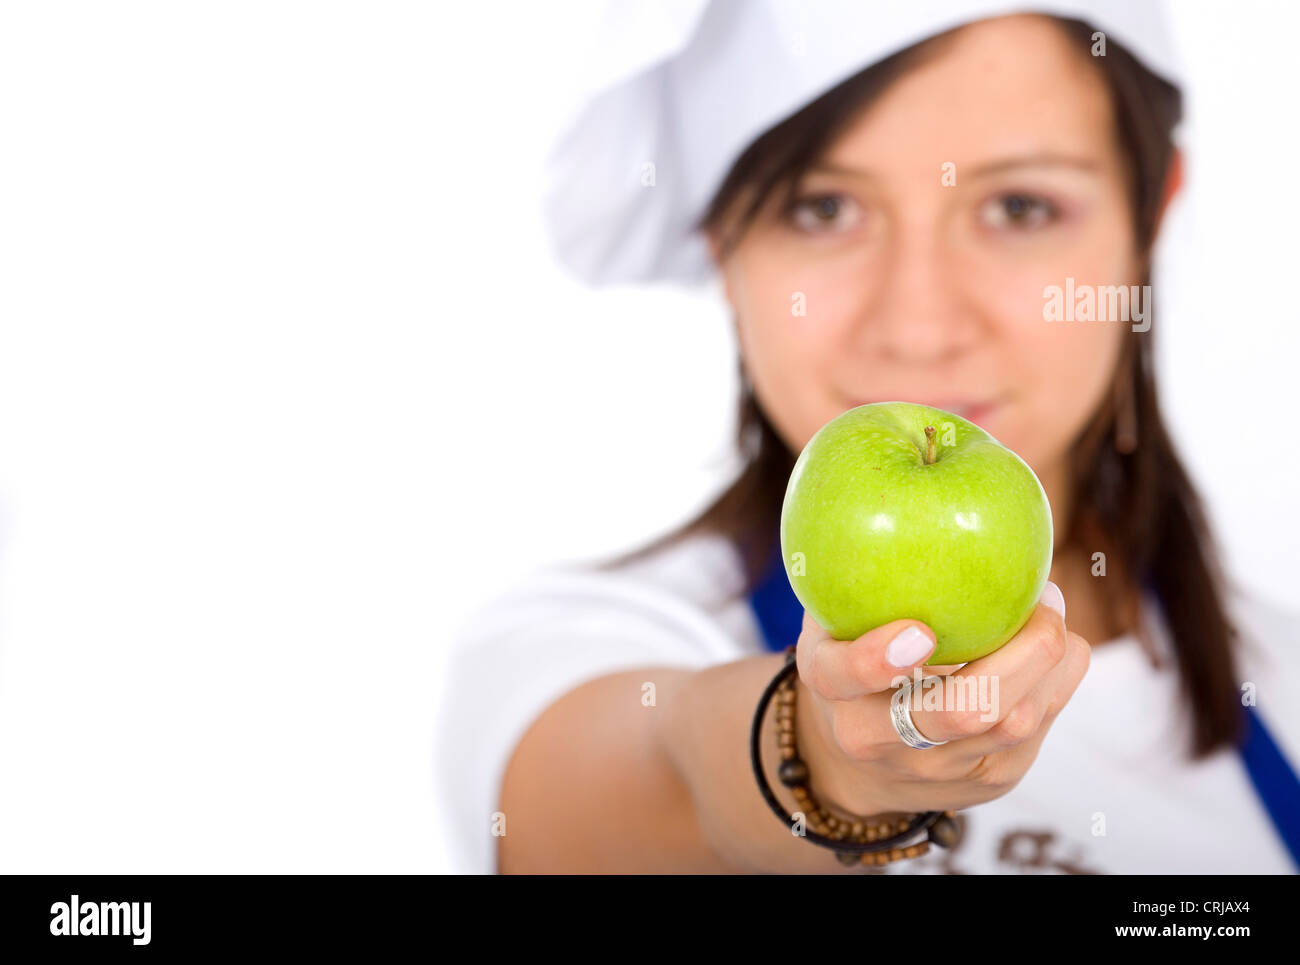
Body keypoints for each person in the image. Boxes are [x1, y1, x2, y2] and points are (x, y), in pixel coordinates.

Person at [435, 0, 1300, 874]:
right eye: (822, 209)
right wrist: (822, 758)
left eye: (1021, 207)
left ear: (1151, 219)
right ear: (723, 250)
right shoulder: (584, 650)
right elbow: (663, 780)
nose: (918, 326)